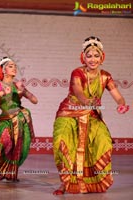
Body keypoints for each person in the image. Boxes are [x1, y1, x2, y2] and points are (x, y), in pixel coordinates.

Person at [52, 36, 130, 195]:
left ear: (102, 57)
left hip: (92, 114)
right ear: (83, 57)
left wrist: (121, 104)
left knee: (103, 143)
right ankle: (65, 184)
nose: (92, 59)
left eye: (96, 56)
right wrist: (87, 102)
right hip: (69, 113)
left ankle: (91, 183)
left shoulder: (105, 76)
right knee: (63, 143)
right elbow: (79, 92)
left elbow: (116, 94)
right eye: (89, 56)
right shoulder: (77, 72)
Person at [0, 57, 38, 181]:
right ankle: (3, 168)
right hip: (6, 118)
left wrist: (25, 92)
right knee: (0, 142)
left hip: (20, 118)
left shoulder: (17, 85)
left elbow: (35, 100)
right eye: (11, 66)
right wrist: (1, 93)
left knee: (18, 146)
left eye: (15, 66)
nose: (14, 68)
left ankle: (10, 172)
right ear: (3, 69)